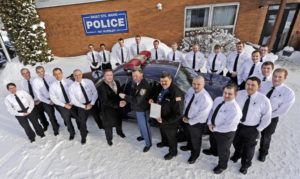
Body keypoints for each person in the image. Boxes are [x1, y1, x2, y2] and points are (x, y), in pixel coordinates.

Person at [231, 77, 272, 174]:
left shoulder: (264, 100)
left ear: (259, 86)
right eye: (248, 84)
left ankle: (245, 164)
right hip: (237, 125)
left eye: (253, 85)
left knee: (249, 149)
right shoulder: (239, 94)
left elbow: (267, 117)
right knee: (236, 142)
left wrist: (259, 129)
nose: (249, 87)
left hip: (252, 128)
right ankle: (237, 154)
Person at [203, 83, 242, 174]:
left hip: (226, 132)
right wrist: (209, 123)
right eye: (225, 93)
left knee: (223, 150)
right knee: (213, 141)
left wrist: (215, 128)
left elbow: (228, 125)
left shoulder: (235, 110)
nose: (226, 96)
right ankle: (213, 151)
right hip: (213, 127)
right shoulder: (218, 99)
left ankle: (222, 165)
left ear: (236, 94)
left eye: (230, 94)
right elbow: (212, 111)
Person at [258, 68, 295, 162]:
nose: (276, 79)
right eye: (275, 76)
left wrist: (266, 117)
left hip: (272, 117)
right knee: (251, 133)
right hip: (257, 114)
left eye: (280, 77)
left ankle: (263, 153)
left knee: (266, 136)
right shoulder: (264, 84)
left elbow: (282, 111)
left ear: (285, 78)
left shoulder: (288, 93)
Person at [149, 72, 184, 160]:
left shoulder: (176, 93)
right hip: (160, 116)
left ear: (170, 80)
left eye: (165, 81)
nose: (163, 83)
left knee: (171, 137)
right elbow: (155, 94)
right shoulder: (160, 87)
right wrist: (152, 99)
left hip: (170, 121)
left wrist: (165, 121)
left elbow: (178, 113)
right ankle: (164, 142)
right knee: (163, 131)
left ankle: (173, 152)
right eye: (162, 81)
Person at [119, 67, 152, 152]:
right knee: (140, 125)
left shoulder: (144, 86)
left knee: (145, 127)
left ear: (141, 75)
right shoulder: (136, 83)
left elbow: (137, 100)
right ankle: (142, 136)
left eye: (137, 76)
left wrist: (125, 97)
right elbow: (133, 95)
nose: (135, 78)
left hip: (142, 110)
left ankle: (148, 143)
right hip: (137, 109)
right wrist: (126, 101)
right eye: (133, 76)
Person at [182, 76, 213, 164]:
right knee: (188, 134)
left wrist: (189, 121)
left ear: (203, 85)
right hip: (186, 118)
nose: (195, 86)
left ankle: (195, 155)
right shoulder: (190, 90)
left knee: (196, 139)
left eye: (198, 84)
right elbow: (186, 102)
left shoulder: (206, 99)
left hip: (197, 123)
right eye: (194, 84)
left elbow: (202, 115)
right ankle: (189, 146)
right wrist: (184, 115)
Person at [69, 69, 98, 144]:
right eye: (76, 75)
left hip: (92, 103)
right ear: (74, 76)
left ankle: (102, 127)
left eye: (79, 74)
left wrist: (92, 103)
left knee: (98, 117)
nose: (78, 76)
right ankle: (83, 136)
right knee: (82, 122)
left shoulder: (88, 82)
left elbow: (95, 92)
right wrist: (84, 106)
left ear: (81, 75)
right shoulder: (71, 87)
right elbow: (74, 100)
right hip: (81, 106)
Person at [49, 68, 80, 141]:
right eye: (56, 74)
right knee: (67, 120)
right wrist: (64, 105)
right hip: (63, 106)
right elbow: (54, 98)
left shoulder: (69, 82)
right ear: (53, 75)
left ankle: (82, 130)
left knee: (78, 118)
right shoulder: (52, 86)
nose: (58, 75)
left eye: (59, 73)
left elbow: (75, 92)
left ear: (62, 73)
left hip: (73, 104)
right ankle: (72, 133)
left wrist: (71, 103)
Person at [98, 69, 126, 146]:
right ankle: (109, 139)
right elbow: (105, 101)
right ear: (104, 76)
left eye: (111, 75)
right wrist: (118, 104)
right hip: (108, 111)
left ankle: (119, 132)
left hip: (118, 109)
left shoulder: (116, 82)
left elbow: (119, 93)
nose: (109, 77)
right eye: (107, 75)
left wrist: (123, 99)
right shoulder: (101, 87)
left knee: (118, 122)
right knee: (108, 126)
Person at [32, 66, 59, 136]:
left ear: (44, 71)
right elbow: (39, 95)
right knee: (51, 116)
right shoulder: (35, 81)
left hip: (56, 98)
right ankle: (55, 129)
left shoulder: (50, 77)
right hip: (46, 100)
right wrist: (49, 101)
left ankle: (66, 123)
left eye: (42, 71)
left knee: (62, 113)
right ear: (36, 73)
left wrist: (55, 98)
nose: (41, 73)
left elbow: (56, 86)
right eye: (39, 72)